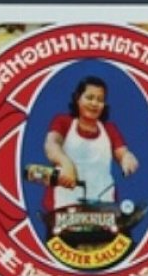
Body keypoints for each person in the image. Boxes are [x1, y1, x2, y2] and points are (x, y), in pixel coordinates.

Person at [43, 76, 138, 209]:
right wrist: (66, 163)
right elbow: (52, 144)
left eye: (100, 100)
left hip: (103, 205)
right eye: (89, 97)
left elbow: (122, 152)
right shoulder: (63, 122)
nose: (94, 103)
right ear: (78, 99)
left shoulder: (109, 129)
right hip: (63, 205)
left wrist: (127, 158)